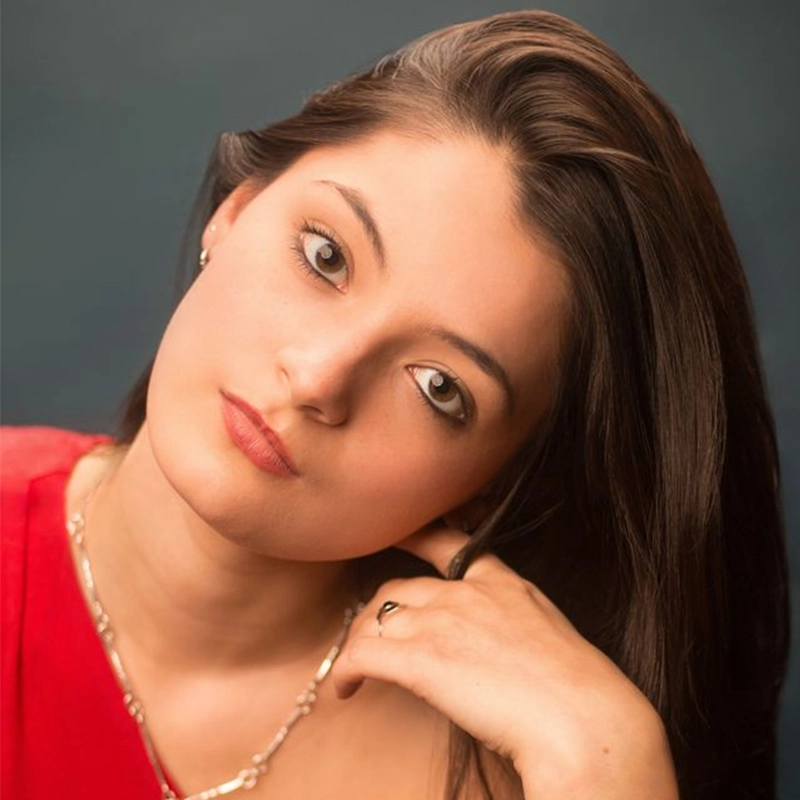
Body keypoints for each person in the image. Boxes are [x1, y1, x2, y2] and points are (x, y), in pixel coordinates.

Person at [0, 9, 789, 800]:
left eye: (439, 386)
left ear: (494, 483)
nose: (317, 379)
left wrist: (609, 761)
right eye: (326, 256)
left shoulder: (528, 771)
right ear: (235, 210)